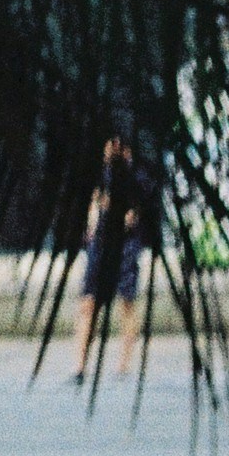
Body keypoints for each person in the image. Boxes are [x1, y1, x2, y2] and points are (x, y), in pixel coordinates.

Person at [70, 134, 155, 387]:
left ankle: (123, 365)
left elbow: (138, 210)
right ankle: (80, 366)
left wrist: (128, 213)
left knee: (126, 303)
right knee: (88, 303)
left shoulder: (137, 177)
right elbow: (94, 201)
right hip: (100, 245)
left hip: (126, 244)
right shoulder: (100, 173)